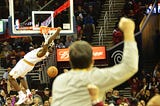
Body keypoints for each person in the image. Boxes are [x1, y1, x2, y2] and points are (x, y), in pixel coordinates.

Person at [52, 17, 139, 106]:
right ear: (92, 61)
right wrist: (128, 32)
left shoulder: (59, 81)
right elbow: (130, 66)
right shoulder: (95, 77)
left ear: (70, 61)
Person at [8, 27, 61, 105]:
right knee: (21, 77)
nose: (43, 43)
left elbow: (48, 42)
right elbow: (49, 40)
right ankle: (28, 92)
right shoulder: (45, 51)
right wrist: (55, 33)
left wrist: (56, 33)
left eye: (46, 44)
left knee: (11, 78)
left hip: (25, 64)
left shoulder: (43, 52)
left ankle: (21, 95)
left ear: (48, 47)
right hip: (28, 65)